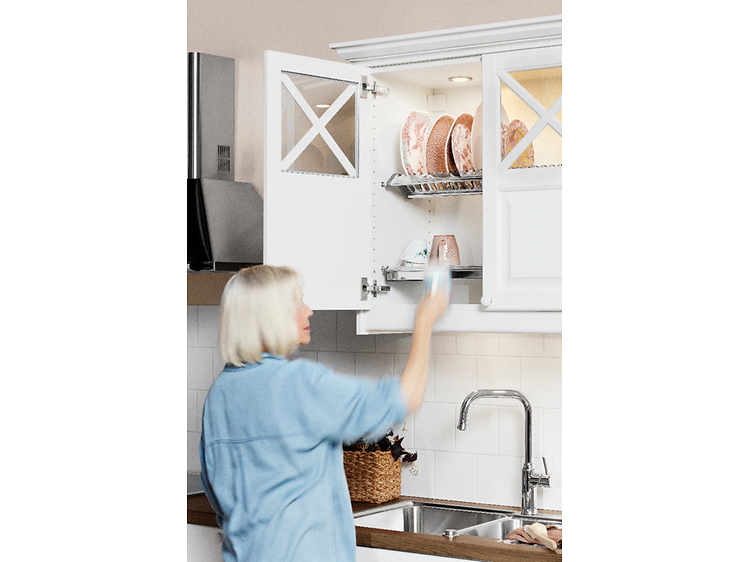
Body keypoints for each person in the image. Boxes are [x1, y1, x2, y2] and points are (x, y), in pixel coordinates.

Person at [200, 265, 448, 562]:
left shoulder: (219, 394)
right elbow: (404, 397)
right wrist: (425, 320)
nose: (309, 311)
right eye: (298, 304)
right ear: (271, 317)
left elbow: (217, 495)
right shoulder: (298, 384)